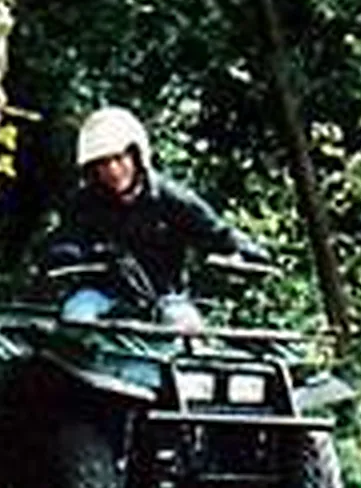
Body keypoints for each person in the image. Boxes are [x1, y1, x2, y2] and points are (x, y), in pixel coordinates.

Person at [44, 106, 269, 328]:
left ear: (135, 156)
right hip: (102, 292)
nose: (113, 170)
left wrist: (244, 249)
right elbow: (64, 239)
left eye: (119, 158)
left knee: (187, 330)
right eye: (103, 163)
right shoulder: (85, 203)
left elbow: (215, 232)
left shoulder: (171, 198)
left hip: (166, 296)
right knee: (76, 320)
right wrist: (69, 253)